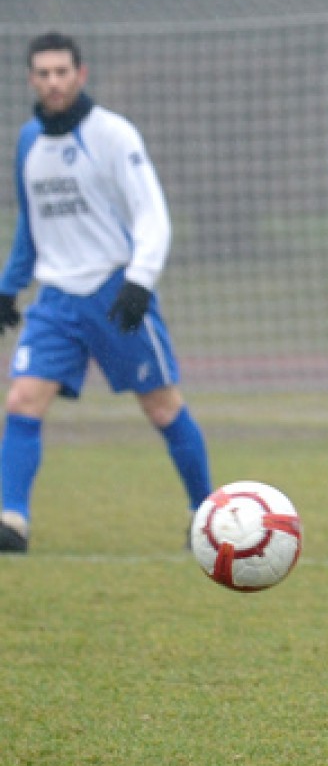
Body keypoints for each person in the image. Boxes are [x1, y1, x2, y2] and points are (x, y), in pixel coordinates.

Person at [0, 32, 213, 554]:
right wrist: (8, 288)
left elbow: (151, 211)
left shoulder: (113, 134)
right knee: (23, 399)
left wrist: (140, 279)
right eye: (43, 73)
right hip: (55, 299)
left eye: (62, 72)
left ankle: (207, 514)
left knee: (161, 408)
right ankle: (11, 521)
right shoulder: (29, 141)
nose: (53, 82)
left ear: (81, 74)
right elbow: (32, 224)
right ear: (31, 79)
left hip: (115, 291)